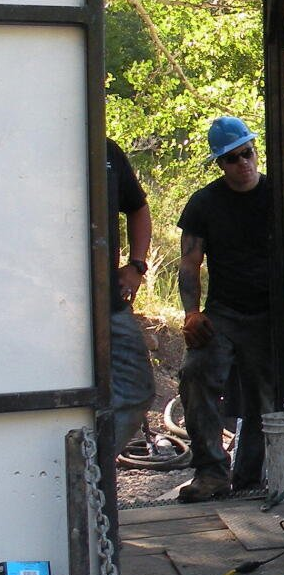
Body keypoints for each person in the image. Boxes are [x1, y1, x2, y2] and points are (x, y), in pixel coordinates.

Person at [174, 117, 276, 502]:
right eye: (232, 159)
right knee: (195, 372)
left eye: (247, 153)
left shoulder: (278, 194)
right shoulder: (204, 203)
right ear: (221, 164)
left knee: (265, 397)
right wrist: (191, 313)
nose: (243, 163)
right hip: (225, 311)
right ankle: (211, 472)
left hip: (271, 311)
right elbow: (190, 261)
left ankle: (249, 477)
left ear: (255, 150)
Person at [106, 139, 156, 454]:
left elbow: (138, 208)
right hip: (39, 307)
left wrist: (137, 265)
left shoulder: (108, 152)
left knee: (137, 389)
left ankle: (91, 469)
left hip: (104, 299)